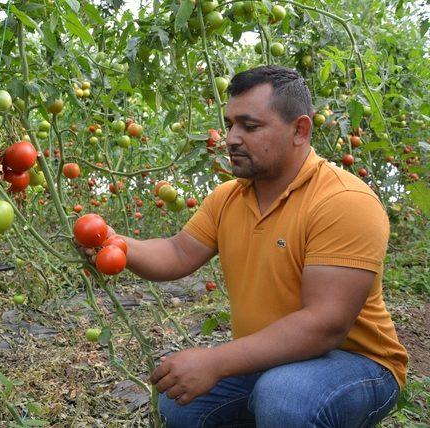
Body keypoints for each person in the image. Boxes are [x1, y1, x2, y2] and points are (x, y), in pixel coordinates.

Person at [106, 66, 408, 427]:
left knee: (285, 396)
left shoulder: (344, 201)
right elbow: (178, 253)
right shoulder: (227, 198)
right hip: (275, 357)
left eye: (249, 126)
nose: (231, 138)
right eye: (230, 124)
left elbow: (325, 325)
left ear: (300, 130)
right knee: (181, 404)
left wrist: (215, 361)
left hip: (358, 363)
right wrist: (115, 244)